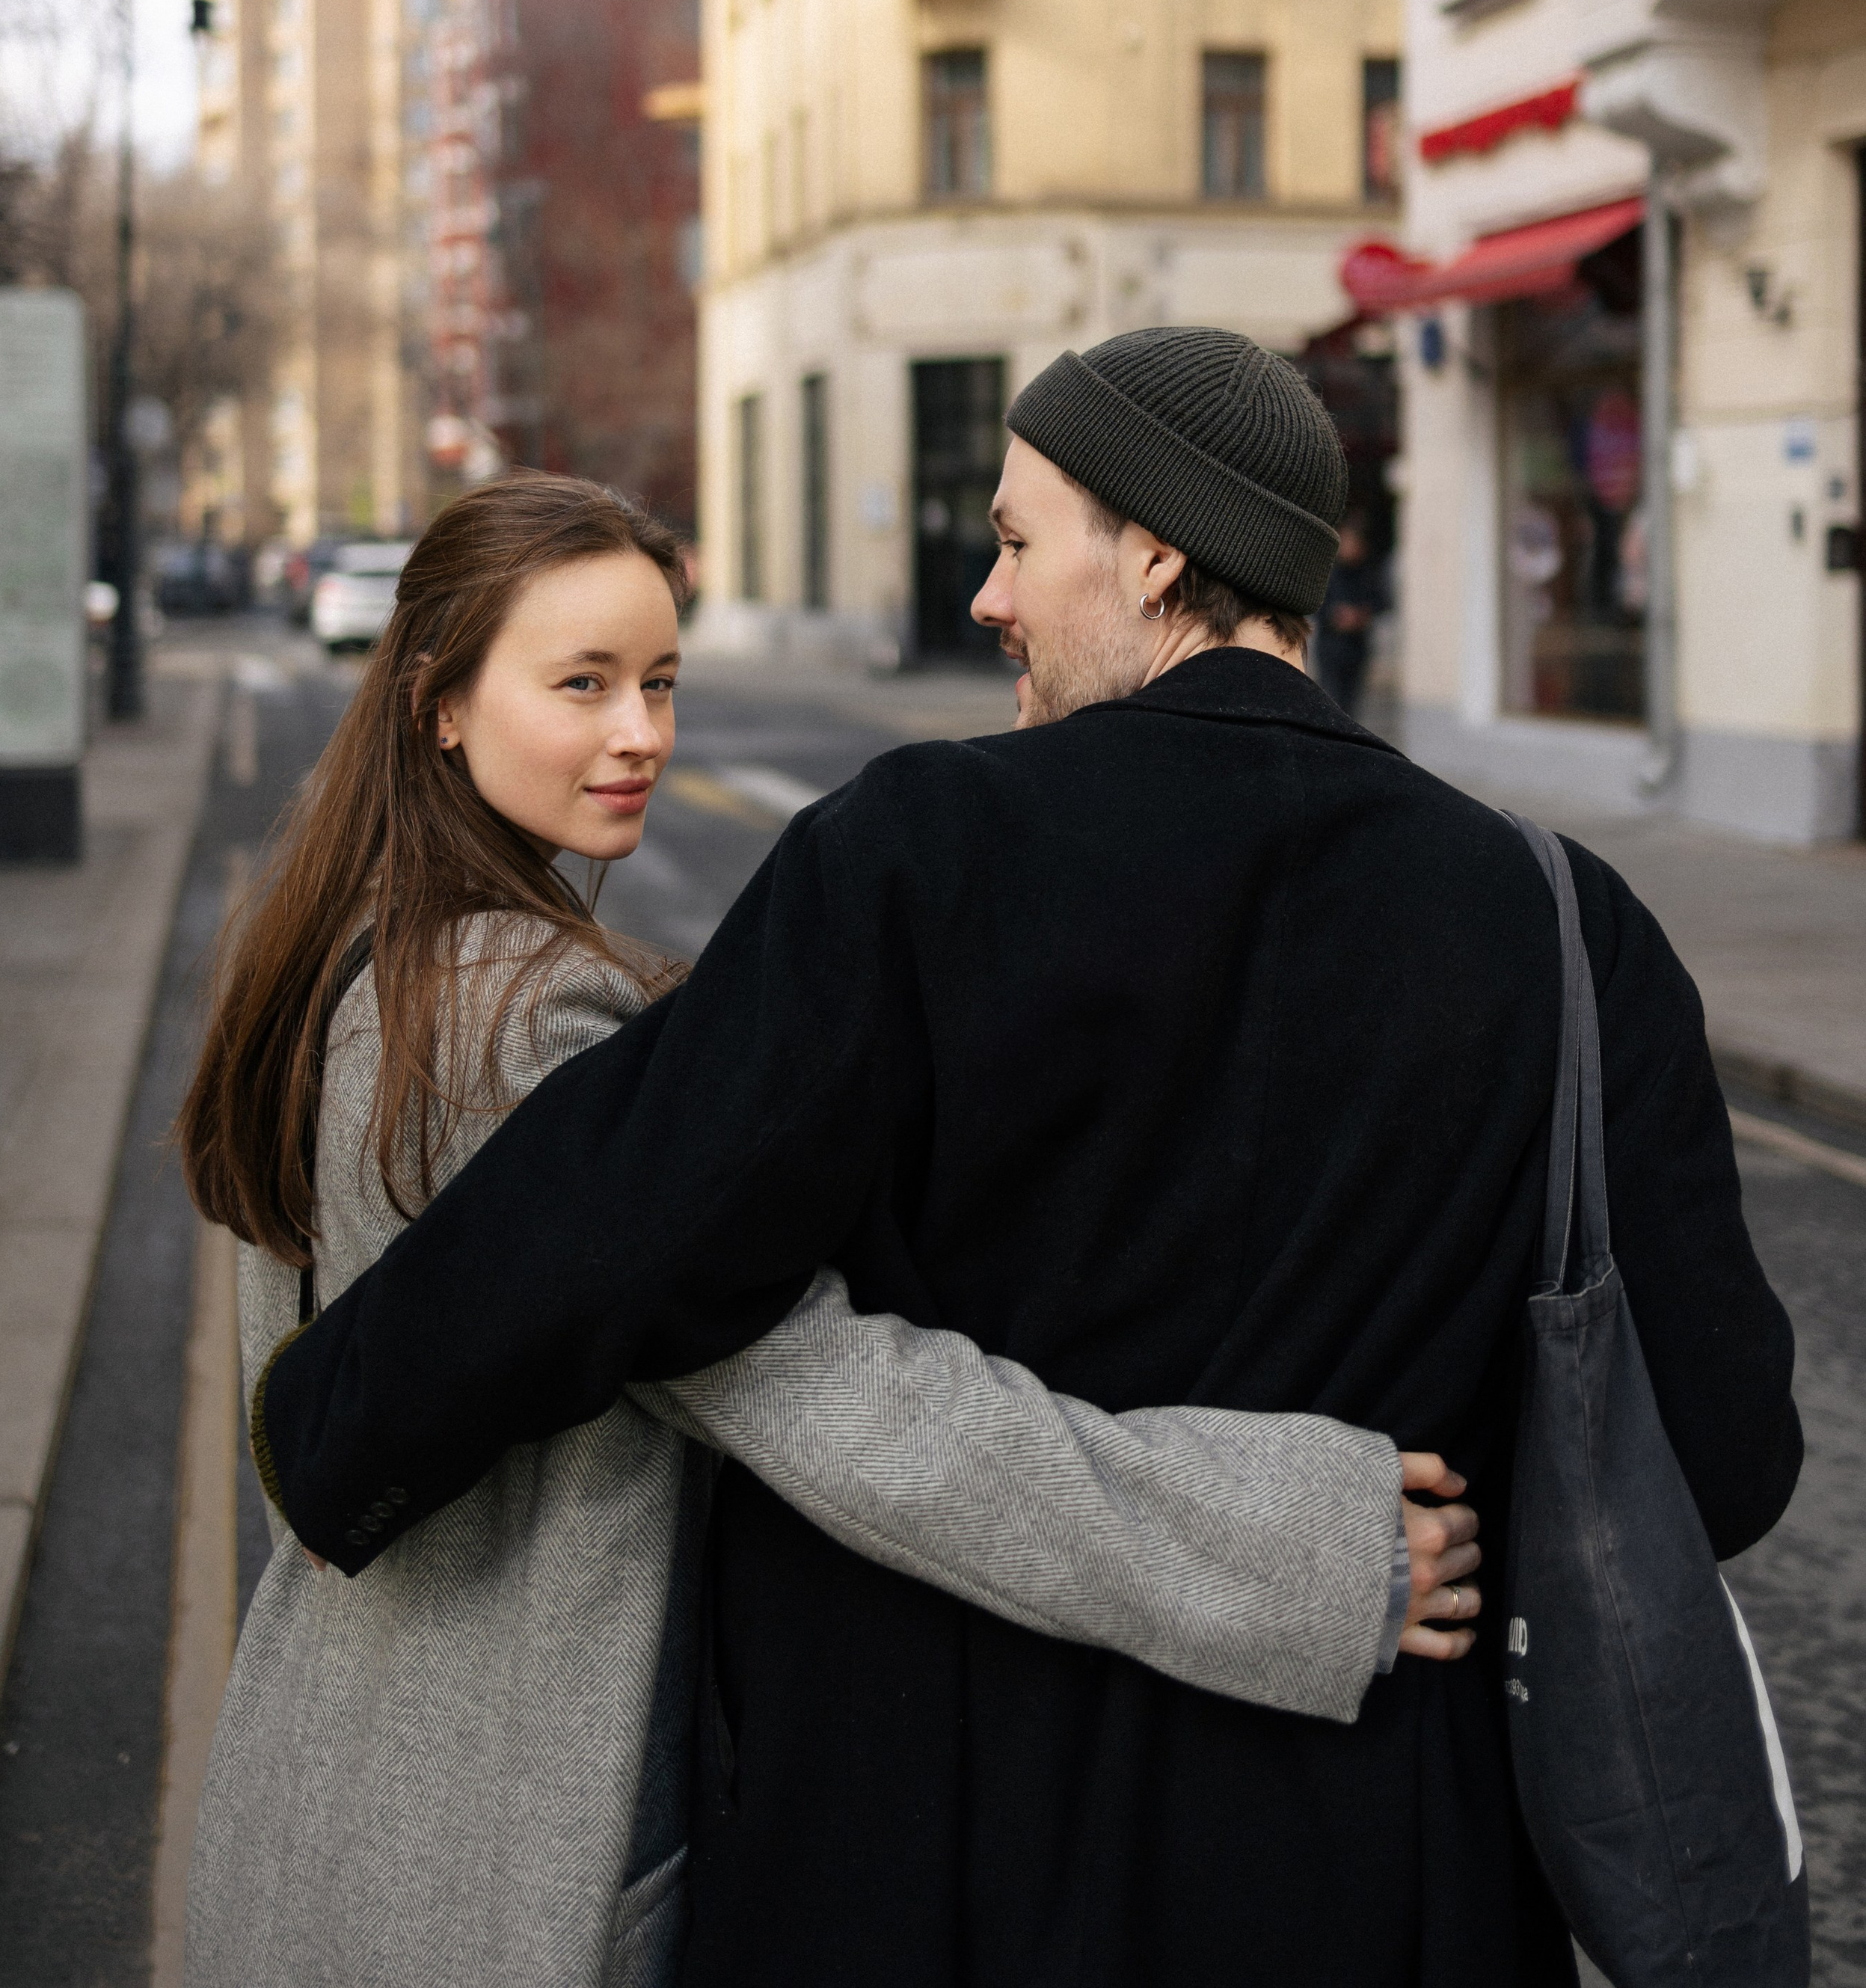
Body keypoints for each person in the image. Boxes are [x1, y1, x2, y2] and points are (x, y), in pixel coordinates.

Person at [255, 332, 1802, 1987]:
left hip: (929, 1856)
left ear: (1151, 552)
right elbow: (1720, 1452)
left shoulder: (917, 854)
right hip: (1377, 1866)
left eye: (1010, 539)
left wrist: (334, 1420)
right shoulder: (1566, 928)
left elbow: (617, 1230)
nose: (984, 597)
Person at [178, 472, 1481, 1988]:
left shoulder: (356, 952)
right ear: (440, 707)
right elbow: (833, 1404)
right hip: (483, 1842)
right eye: (580, 684)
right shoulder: (513, 1022)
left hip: (332, 1769)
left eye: (660, 681)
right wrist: (1291, 1550)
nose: (640, 737)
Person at [1315, 510, 1386, 717]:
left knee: (1351, 706)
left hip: (1356, 649)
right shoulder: (1328, 574)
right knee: (1331, 701)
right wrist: (1336, 616)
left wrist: (1361, 616)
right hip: (1331, 649)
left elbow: (1380, 603)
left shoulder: (1367, 575)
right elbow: (1317, 607)